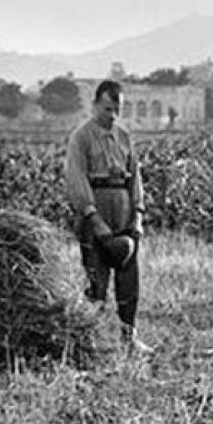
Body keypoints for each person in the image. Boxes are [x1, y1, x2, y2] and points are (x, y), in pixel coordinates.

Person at [64, 80, 151, 353]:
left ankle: (129, 337)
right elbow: (76, 179)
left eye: (117, 109)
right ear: (94, 105)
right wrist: (93, 217)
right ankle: (93, 341)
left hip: (123, 210)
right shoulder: (81, 137)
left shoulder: (125, 136)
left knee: (129, 280)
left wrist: (137, 215)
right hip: (96, 211)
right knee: (96, 279)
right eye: (107, 108)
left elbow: (135, 177)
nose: (112, 115)